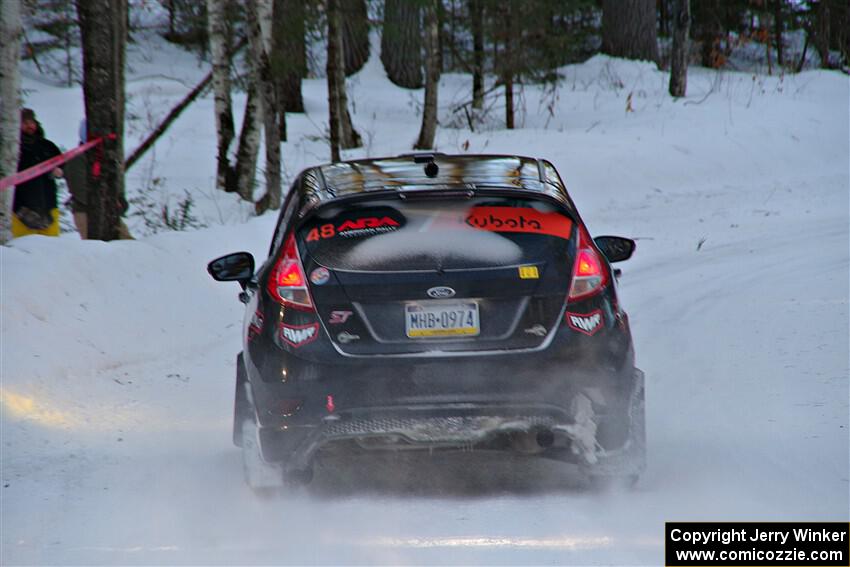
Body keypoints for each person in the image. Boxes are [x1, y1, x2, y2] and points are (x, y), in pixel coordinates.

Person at [63, 119, 133, 239]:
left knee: (128, 245)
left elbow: (113, 184)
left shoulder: (105, 157)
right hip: (86, 213)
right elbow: (79, 190)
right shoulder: (77, 159)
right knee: (96, 250)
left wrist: (119, 200)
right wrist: (105, 202)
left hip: (108, 213)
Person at [11, 108, 63, 238]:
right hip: (20, 207)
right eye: (25, 122)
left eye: (32, 122)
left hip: (48, 205)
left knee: (52, 248)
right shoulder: (10, 148)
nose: (29, 125)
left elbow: (62, 163)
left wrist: (59, 170)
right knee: (23, 248)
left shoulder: (47, 146)